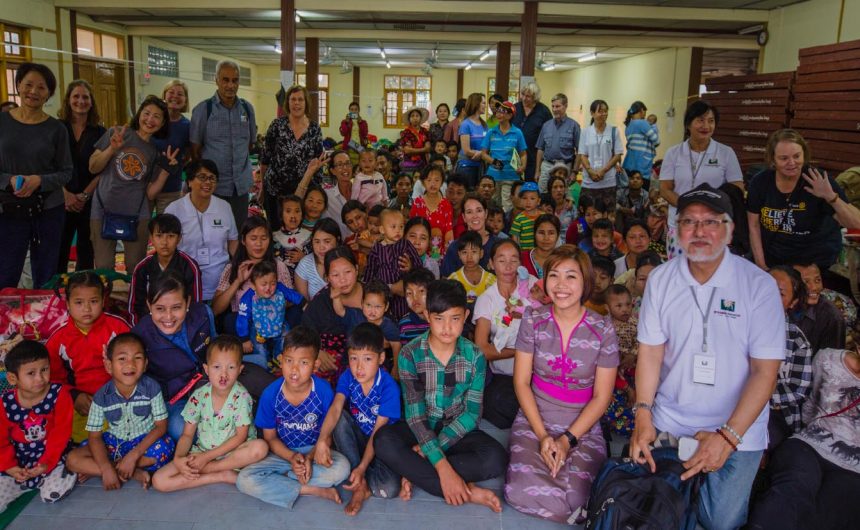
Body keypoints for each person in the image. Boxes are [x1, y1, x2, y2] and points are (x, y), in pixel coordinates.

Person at [630, 184, 785, 530]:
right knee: (659, 510)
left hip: (736, 426)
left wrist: (727, 438)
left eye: (711, 222)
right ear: (676, 230)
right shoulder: (661, 280)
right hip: (671, 417)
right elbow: (651, 352)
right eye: (689, 222)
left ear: (729, 231)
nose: (699, 232)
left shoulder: (758, 286)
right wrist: (643, 413)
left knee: (720, 521)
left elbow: (764, 373)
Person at [504, 244, 618, 523]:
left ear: (585, 282)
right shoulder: (533, 319)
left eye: (571, 276)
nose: (561, 285)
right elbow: (521, 383)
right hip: (536, 418)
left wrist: (567, 440)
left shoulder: (603, 328)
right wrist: (543, 435)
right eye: (554, 276)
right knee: (518, 490)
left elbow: (602, 397)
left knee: (579, 497)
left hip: (582, 425)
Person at [374, 280, 508, 512]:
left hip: (455, 431)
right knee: (383, 440)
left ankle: (415, 472)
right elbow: (415, 416)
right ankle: (466, 491)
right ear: (427, 315)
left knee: (496, 458)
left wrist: (433, 452)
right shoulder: (410, 354)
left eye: (454, 318)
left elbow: (472, 413)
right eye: (439, 318)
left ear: (466, 316)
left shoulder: (474, 355)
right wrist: (443, 467)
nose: (447, 328)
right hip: (419, 428)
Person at [133, 271, 275, 441]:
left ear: (188, 302)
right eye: (160, 309)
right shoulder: (140, 336)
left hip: (213, 372)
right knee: (182, 430)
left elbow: (216, 348)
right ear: (149, 306)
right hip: (178, 396)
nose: (168, 317)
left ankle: (261, 426)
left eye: (176, 307)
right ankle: (242, 434)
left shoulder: (202, 313)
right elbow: (137, 380)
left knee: (265, 374)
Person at [747, 335, 860, 530]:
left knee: (832, 509)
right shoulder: (828, 359)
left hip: (854, 467)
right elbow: (808, 405)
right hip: (809, 444)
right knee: (793, 485)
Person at [236, 326, 351, 508]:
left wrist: (310, 458)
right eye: (289, 361)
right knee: (244, 480)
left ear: (315, 365)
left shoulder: (323, 391)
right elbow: (270, 437)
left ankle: (284, 479)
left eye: (304, 363)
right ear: (281, 361)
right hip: (282, 453)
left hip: (313, 451)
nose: (294, 369)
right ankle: (310, 488)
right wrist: (291, 458)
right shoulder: (270, 394)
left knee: (342, 468)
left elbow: (326, 435)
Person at [151, 336, 269, 492]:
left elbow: (240, 437)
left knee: (260, 447)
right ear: (206, 369)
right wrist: (179, 458)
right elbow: (187, 435)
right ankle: (219, 476)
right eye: (217, 367)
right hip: (202, 451)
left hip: (233, 455)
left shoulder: (242, 397)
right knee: (160, 481)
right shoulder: (198, 396)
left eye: (231, 368)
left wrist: (206, 460)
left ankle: (214, 468)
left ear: (240, 370)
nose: (223, 374)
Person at [66, 333, 175, 490]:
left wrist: (133, 455)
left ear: (145, 364)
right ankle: (127, 471)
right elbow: (94, 436)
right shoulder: (101, 396)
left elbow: (161, 427)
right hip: (114, 442)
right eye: (122, 359)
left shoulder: (152, 388)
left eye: (137, 358)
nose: (130, 364)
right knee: (73, 459)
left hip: (143, 443)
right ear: (109, 366)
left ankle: (116, 467)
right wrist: (105, 468)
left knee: (165, 447)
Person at [314, 323, 402, 515]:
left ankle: (358, 476)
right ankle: (360, 483)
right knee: (340, 419)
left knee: (390, 489)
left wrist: (362, 467)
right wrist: (322, 440)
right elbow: (336, 407)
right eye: (354, 358)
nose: (359, 367)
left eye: (367, 359)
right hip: (357, 440)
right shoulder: (348, 376)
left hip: (380, 446)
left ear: (381, 358)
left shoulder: (388, 388)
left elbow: (378, 433)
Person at [0, 63, 73, 289]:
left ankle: (45, 318)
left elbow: (66, 171)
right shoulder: (2, 122)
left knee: (46, 271)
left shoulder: (56, 129)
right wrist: (8, 180)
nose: (33, 91)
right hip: (8, 208)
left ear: (49, 93)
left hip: (48, 209)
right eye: (28, 84)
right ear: (18, 85)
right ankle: (5, 319)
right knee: (6, 269)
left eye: (41, 87)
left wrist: (40, 181)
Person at [748, 128, 860, 271]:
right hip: (775, 260)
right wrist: (762, 266)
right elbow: (754, 225)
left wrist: (831, 197)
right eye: (784, 158)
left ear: (804, 155)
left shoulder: (817, 179)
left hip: (814, 263)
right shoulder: (761, 182)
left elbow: (856, 224)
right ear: (773, 159)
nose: (792, 163)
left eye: (797, 156)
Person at [89, 96, 177, 273]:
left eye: (157, 116)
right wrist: (112, 149)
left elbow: (151, 194)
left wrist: (166, 170)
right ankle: (107, 300)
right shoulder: (117, 133)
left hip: (137, 214)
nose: (150, 120)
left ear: (162, 123)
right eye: (146, 113)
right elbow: (93, 167)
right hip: (104, 209)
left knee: (135, 267)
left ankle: (133, 300)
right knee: (103, 267)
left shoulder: (153, 152)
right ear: (139, 114)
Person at [47, 272, 130, 442]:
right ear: (68, 304)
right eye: (79, 302)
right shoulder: (58, 339)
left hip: (121, 398)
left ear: (103, 301)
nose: (86, 308)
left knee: (124, 436)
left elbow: (135, 364)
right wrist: (75, 396)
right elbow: (53, 380)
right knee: (77, 439)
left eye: (93, 301)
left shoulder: (118, 328)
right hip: (83, 405)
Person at [660, 100, 743, 259]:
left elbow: (737, 189)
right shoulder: (673, 153)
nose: (706, 125)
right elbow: (665, 189)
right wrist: (690, 207)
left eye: (711, 121)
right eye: (700, 120)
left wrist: (708, 209)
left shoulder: (726, 152)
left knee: (709, 272)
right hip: (679, 224)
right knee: (679, 273)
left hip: (714, 226)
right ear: (688, 124)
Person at [0, 341, 76, 510]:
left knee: (52, 494)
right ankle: (22, 481)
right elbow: (1, 440)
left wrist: (46, 463)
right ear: (12, 378)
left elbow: (61, 433)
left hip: (54, 456)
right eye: (31, 373)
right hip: (18, 459)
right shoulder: (5, 403)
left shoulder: (59, 394)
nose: (40, 378)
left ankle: (47, 479)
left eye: (44, 370)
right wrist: (10, 466)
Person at [473, 239, 538, 428]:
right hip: (505, 374)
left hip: (538, 372)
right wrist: (521, 352)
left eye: (514, 260)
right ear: (491, 264)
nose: (508, 266)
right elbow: (482, 350)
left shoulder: (532, 286)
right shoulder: (486, 299)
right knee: (502, 405)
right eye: (501, 260)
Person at [190, 60, 258, 228]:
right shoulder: (203, 110)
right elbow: (195, 149)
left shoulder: (247, 109)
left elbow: (250, 144)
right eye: (225, 80)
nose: (230, 85)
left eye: (234, 80)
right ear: (216, 80)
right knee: (214, 234)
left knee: (239, 233)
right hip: (213, 187)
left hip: (240, 188)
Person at [166, 159, 238, 302]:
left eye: (212, 178)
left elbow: (233, 241)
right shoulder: (174, 209)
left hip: (220, 283)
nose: (208, 182)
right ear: (190, 181)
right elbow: (166, 247)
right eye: (202, 177)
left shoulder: (224, 207)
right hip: (185, 282)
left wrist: (238, 267)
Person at [57, 79, 105, 273]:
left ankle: (83, 293)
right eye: (76, 96)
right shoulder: (57, 128)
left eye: (85, 97)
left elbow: (104, 169)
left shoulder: (100, 132)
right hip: (60, 199)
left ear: (91, 101)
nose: (81, 101)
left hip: (89, 200)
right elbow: (49, 166)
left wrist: (85, 195)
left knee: (86, 251)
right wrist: (65, 194)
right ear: (68, 100)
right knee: (59, 249)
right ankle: (56, 293)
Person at [260, 84, 324, 224]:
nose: (296, 103)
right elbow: (265, 159)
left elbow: (318, 164)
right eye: (293, 99)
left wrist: (316, 193)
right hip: (275, 191)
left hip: (302, 193)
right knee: (276, 232)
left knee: (300, 234)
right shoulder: (277, 125)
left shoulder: (314, 130)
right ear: (287, 103)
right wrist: (262, 189)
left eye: (300, 99)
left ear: (306, 102)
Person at [301, 246, 364, 385]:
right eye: (335, 275)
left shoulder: (372, 296)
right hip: (328, 361)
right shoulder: (321, 301)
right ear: (328, 278)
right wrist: (317, 351)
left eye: (347, 272)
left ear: (356, 269)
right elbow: (305, 331)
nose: (343, 279)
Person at [211, 215, 293, 321]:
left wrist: (271, 296)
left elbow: (291, 301)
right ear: (243, 240)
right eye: (253, 238)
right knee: (230, 320)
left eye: (264, 238)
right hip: (244, 324)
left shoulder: (279, 266)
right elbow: (216, 309)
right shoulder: (232, 268)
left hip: (273, 323)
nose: (259, 244)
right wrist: (238, 281)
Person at [767, 266, 813, 447]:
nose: (767, 296)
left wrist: (755, 397)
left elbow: (797, 390)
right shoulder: (735, 325)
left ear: (792, 303)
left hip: (775, 414)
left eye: (779, 293)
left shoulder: (796, 340)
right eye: (763, 286)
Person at [129, 214, 202, 326]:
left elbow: (195, 305)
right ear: (151, 238)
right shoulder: (142, 268)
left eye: (171, 236)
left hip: (181, 325)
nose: (164, 242)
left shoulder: (189, 266)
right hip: (149, 327)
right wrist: (140, 331)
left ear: (179, 239)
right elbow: (134, 308)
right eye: (159, 236)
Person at [236, 260, 304, 370]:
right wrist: (244, 339)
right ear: (253, 285)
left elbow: (292, 295)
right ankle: (264, 365)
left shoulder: (280, 289)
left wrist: (303, 303)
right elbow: (242, 318)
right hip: (258, 328)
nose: (269, 288)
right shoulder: (248, 297)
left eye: (273, 283)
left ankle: (278, 359)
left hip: (279, 323)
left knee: (285, 339)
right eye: (263, 284)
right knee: (259, 349)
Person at [331, 280, 402, 375]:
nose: (372, 311)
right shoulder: (355, 315)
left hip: (375, 366)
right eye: (368, 305)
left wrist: (396, 368)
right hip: (350, 362)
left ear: (386, 307)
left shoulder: (388, 326)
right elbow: (340, 311)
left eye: (377, 306)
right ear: (362, 303)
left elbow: (396, 346)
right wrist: (336, 298)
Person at [363, 208, 422, 321]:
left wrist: (411, 267)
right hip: (383, 292)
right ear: (382, 229)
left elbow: (419, 265)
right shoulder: (377, 248)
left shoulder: (406, 245)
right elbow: (370, 269)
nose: (398, 231)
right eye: (393, 227)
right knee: (386, 316)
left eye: (401, 227)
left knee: (405, 315)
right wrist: (367, 287)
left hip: (403, 292)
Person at [604, 283, 638, 437]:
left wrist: (634, 354)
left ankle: (638, 425)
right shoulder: (605, 325)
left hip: (634, 369)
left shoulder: (636, 322)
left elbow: (642, 341)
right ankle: (620, 426)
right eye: (618, 305)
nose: (625, 309)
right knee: (613, 403)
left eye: (627, 305)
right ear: (607, 307)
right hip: (613, 372)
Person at [152, 80, 191, 213]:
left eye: (180, 94)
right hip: (145, 185)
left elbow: (187, 156)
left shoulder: (187, 126)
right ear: (164, 96)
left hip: (171, 189)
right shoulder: (153, 120)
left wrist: (172, 164)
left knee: (167, 231)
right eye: (171, 92)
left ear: (185, 100)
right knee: (143, 230)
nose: (175, 96)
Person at [791, 262, 846, 353]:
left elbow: (830, 362)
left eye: (817, 280)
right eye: (806, 282)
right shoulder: (781, 305)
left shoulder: (832, 317)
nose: (814, 287)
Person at [482, 101, 527, 212]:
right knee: (493, 205)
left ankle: (506, 228)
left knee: (507, 206)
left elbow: (523, 154)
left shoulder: (517, 133)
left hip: (511, 176)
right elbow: (483, 153)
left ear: (510, 115)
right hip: (493, 176)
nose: (499, 114)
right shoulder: (491, 132)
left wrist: (523, 166)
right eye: (498, 111)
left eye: (502, 112)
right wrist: (494, 162)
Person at [578, 99, 623, 210]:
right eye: (600, 111)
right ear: (592, 113)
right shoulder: (585, 132)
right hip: (589, 181)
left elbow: (617, 154)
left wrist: (603, 170)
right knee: (587, 214)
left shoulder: (613, 131)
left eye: (606, 111)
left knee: (608, 215)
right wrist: (590, 171)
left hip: (608, 181)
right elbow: (582, 154)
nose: (604, 114)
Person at [440, 194, 497, 277]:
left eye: (479, 210)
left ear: (486, 213)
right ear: (464, 217)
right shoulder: (454, 247)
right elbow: (445, 282)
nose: (475, 216)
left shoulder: (498, 245)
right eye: (469, 212)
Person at [535, 93, 580, 193]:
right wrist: (537, 171)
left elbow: (580, 152)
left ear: (565, 106)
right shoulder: (546, 125)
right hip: (547, 165)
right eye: (553, 106)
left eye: (558, 106)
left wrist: (574, 172)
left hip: (564, 167)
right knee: (543, 194)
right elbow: (540, 149)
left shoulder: (574, 126)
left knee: (562, 194)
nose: (555, 109)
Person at [410, 165, 454, 258]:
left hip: (440, 254)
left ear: (442, 182)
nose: (433, 184)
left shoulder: (446, 204)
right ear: (423, 182)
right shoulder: (418, 203)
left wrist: (449, 255)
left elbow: (449, 232)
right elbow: (411, 229)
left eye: (437, 180)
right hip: (419, 252)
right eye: (429, 180)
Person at [512, 81, 552, 182]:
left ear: (535, 97)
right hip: (514, 154)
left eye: (528, 96)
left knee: (531, 184)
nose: (524, 98)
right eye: (523, 95)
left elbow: (549, 133)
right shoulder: (515, 108)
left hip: (534, 155)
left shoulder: (543, 111)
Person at [447, 231, 496, 312]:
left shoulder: (492, 280)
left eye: (474, 252)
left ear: (481, 253)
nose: (469, 257)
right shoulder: (453, 281)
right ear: (459, 254)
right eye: (464, 252)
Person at [295, 218, 342, 301]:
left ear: (337, 240)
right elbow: (304, 304)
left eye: (327, 241)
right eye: (317, 242)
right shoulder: (305, 265)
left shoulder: (346, 262)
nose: (321, 247)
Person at [272, 194, 312, 284]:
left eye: (297, 211)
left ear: (302, 215)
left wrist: (304, 257)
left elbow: (317, 262)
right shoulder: (274, 238)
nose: (293, 215)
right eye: (288, 211)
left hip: (304, 284)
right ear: (281, 215)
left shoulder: (309, 237)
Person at [622, 100, 660, 187]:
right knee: (642, 195)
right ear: (642, 110)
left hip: (629, 165)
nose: (645, 116)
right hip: (642, 167)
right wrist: (654, 126)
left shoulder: (628, 125)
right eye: (645, 112)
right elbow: (657, 141)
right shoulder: (643, 123)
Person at [456, 93, 488, 188]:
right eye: (483, 103)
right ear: (476, 104)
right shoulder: (466, 124)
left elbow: (487, 145)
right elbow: (466, 150)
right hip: (467, 167)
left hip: (480, 166)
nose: (485, 106)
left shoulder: (484, 125)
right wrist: (482, 154)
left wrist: (481, 154)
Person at [398, 268, 435, 346]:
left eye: (421, 291)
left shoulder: (441, 319)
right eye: (409, 293)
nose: (415, 298)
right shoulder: (404, 325)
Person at [521, 214, 561, 279]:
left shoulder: (563, 260)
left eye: (551, 233)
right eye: (541, 233)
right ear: (534, 234)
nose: (546, 238)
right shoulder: (522, 258)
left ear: (557, 235)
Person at [509, 182, 541, 251]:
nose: (528, 202)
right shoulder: (518, 219)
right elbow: (515, 238)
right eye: (524, 198)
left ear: (538, 201)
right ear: (520, 200)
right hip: (525, 254)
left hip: (540, 252)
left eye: (532, 198)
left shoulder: (544, 217)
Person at [400, 107, 430, 174]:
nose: (415, 118)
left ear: (420, 118)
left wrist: (413, 150)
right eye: (412, 116)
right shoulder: (405, 132)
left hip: (423, 163)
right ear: (409, 119)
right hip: (409, 163)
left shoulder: (424, 131)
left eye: (417, 116)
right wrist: (423, 149)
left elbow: (428, 148)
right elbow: (407, 150)